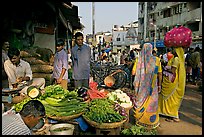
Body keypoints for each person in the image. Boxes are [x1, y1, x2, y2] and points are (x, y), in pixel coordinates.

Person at [133, 43, 162, 129]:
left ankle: (139, 121)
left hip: (141, 88)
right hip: (152, 88)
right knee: (152, 104)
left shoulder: (139, 60)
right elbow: (159, 74)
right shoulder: (156, 60)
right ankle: (151, 122)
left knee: (140, 102)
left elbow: (133, 73)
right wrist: (159, 85)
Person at [158, 46, 186, 122]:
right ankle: (167, 113)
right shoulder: (176, 58)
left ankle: (173, 114)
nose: (172, 50)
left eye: (174, 49)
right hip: (171, 81)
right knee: (169, 97)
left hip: (171, 81)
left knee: (170, 97)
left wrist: (165, 69)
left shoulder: (176, 59)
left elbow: (173, 71)